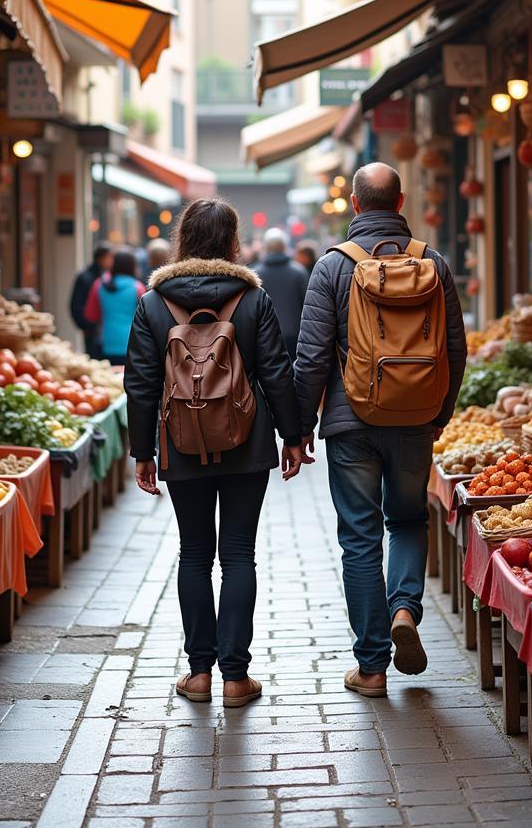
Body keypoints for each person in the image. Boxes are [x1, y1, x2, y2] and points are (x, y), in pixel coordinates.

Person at [124, 197, 306, 708]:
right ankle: (235, 678)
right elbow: (275, 371)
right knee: (239, 555)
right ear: (232, 243)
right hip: (247, 445)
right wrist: (293, 437)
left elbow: (140, 383)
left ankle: (198, 673)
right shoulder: (251, 298)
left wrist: (143, 451)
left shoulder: (153, 302)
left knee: (195, 555)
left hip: (181, 445)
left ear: (183, 240)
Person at [294, 162, 466, 698]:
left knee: (360, 538)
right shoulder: (432, 263)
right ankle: (405, 610)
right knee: (409, 520)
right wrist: (439, 411)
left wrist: (299, 427)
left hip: (352, 423)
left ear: (353, 203)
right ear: (401, 202)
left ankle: (371, 668)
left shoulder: (333, 268)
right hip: (416, 418)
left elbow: (311, 357)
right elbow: (455, 348)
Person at [252, 227, 308, 362]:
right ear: (284, 247)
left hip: (265, 337)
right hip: (296, 334)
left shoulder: (255, 274)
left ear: (266, 248)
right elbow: (308, 306)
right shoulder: (299, 272)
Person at [84, 249, 146, 366]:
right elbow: (146, 319)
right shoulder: (138, 288)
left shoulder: (99, 285)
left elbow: (90, 316)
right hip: (132, 344)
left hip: (106, 343)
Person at [70, 244, 112, 358]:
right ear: (101, 258)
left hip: (104, 330)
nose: (112, 261)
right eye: (110, 257)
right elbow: (76, 305)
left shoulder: (106, 276)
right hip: (91, 330)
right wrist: (88, 326)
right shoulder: (86, 277)